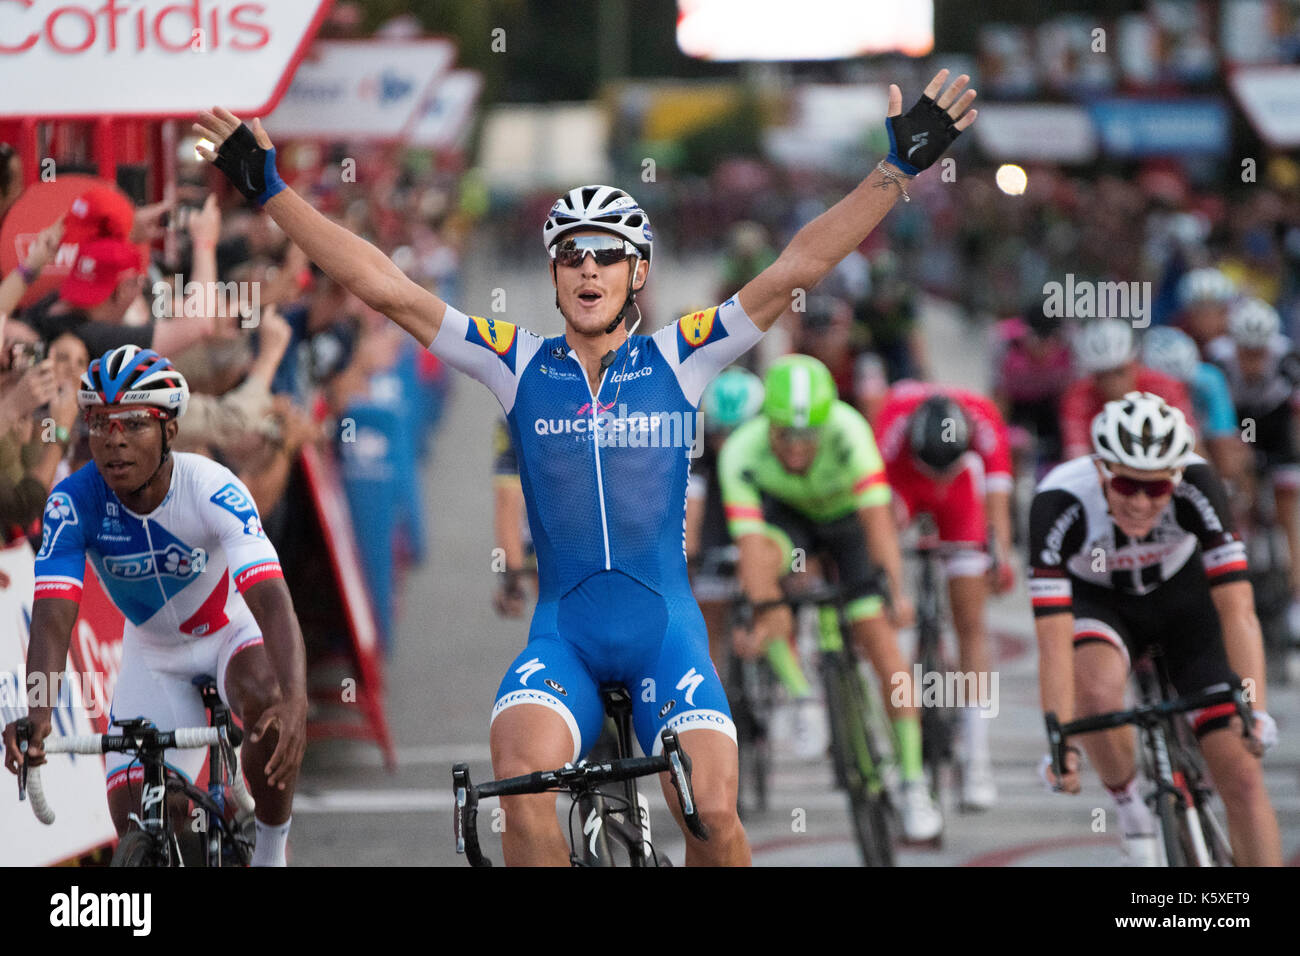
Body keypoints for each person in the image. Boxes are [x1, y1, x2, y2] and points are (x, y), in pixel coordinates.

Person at [194, 68, 978, 865]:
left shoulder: (684, 355)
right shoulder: (515, 362)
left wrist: (895, 173)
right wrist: (271, 193)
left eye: (609, 255)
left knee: (710, 815)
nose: (590, 269)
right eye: (573, 256)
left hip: (664, 638)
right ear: (555, 274)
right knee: (519, 791)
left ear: (637, 272)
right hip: (564, 637)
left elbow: (796, 269)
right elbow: (384, 287)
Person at [2, 345, 308, 867]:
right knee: (137, 819)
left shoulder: (212, 488)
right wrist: (37, 712)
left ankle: (270, 852)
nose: (114, 442)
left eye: (133, 425)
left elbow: (272, 602)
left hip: (227, 634)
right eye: (99, 425)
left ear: (170, 430)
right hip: (154, 654)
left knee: (266, 697)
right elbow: (53, 620)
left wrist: (296, 700)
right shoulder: (72, 503)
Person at [1029, 392, 1281, 865]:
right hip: (1101, 603)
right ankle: (1130, 810)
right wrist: (1058, 740)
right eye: (1126, 485)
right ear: (1102, 470)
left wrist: (1256, 709)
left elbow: (1238, 611)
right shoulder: (1059, 500)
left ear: (1176, 479)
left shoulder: (1200, 484)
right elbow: (1053, 640)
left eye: (1157, 489)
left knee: (1243, 777)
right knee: (1099, 695)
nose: (1141, 502)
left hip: (1183, 602)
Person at [717, 354, 943, 840]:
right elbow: (750, 544)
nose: (798, 447)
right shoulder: (741, 450)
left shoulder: (848, 429)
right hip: (789, 525)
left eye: (808, 436)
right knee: (758, 569)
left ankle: (911, 780)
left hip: (848, 526)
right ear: (767, 423)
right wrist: (766, 608)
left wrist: (895, 593)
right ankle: (803, 697)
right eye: (786, 435)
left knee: (884, 649)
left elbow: (878, 521)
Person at [872, 382, 1016, 809]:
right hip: (902, 481)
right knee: (887, 606)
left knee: (970, 624)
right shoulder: (893, 417)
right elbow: (871, 503)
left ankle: (977, 759)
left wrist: (999, 557)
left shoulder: (985, 420)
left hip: (963, 494)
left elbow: (998, 502)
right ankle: (906, 750)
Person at [1206, 298, 1300, 629]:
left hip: (1277, 427)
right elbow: (1214, 419)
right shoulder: (1218, 358)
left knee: (1288, 504)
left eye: (1259, 354)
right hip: (1238, 423)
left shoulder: (1287, 358)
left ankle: (1295, 593)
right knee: (1235, 484)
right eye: (1246, 353)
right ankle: (1240, 541)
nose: (1252, 362)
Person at [1059, 318, 1197, 461]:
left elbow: (1192, 448)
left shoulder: (1165, 386)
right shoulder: (1077, 398)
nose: (1112, 383)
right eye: (1102, 376)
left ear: (1135, 364)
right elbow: (1077, 459)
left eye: (1120, 372)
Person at [1141, 325, 1241, 486]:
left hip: (1201, 431)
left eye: (1183, 386)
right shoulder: (1141, 384)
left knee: (1234, 454)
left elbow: (1223, 436)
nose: (1177, 392)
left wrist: (1216, 486)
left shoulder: (1210, 380)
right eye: (1170, 387)